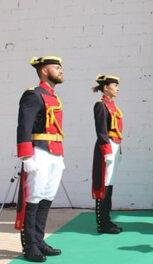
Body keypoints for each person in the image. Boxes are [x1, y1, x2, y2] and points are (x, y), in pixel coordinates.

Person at [15, 56, 64, 262]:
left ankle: (39, 240)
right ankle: (30, 246)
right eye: (56, 66)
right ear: (44, 70)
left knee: (46, 198)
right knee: (33, 200)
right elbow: (24, 126)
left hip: (55, 153)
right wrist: (26, 156)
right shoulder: (33, 95)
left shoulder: (54, 96)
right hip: (39, 153)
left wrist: (60, 156)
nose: (61, 70)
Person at [91, 75, 124, 234]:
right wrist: (107, 152)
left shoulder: (113, 106)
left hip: (115, 145)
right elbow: (102, 131)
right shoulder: (101, 105)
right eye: (114, 85)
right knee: (103, 186)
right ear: (105, 88)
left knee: (109, 185)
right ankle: (102, 223)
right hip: (107, 147)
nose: (117, 88)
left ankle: (107, 219)